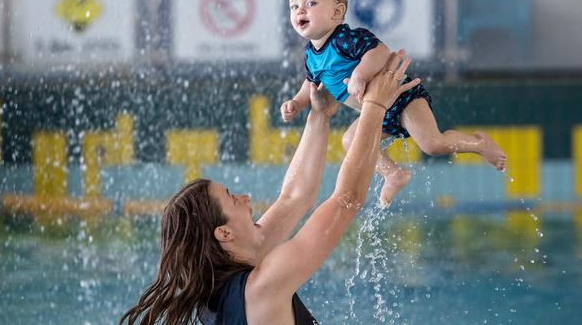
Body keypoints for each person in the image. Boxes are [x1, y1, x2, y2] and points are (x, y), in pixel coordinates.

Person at [120, 52, 418, 324]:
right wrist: (375, 106)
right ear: (224, 233)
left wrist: (319, 116)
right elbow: (346, 201)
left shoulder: (223, 288)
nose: (245, 199)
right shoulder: (262, 288)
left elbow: (294, 198)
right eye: (232, 200)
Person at [281, 0, 507, 207]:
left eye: (311, 3)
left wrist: (359, 74)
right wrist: (297, 101)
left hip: (403, 97)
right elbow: (310, 84)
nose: (300, 10)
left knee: (432, 145)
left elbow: (380, 52)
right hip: (377, 112)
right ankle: (393, 174)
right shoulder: (309, 55)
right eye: (294, 6)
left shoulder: (346, 38)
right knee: (349, 142)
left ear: (337, 12)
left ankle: (479, 144)